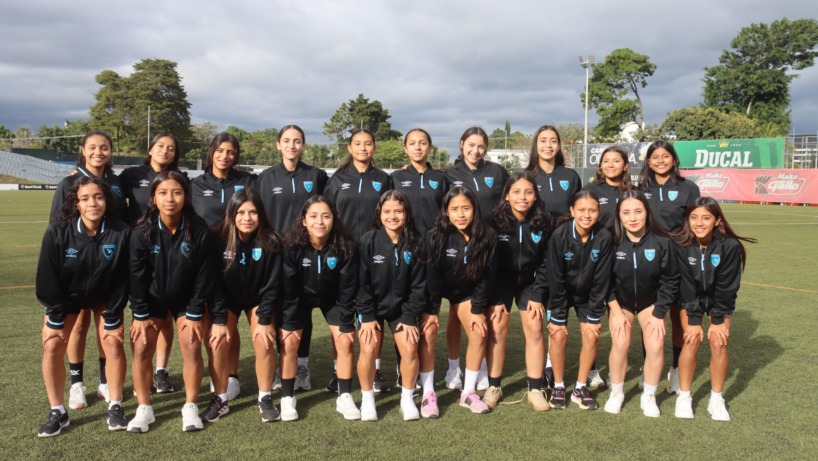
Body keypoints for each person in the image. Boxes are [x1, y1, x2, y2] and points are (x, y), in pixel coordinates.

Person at [127, 171, 225, 432]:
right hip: (152, 301)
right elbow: (136, 276)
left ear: (186, 196)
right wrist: (140, 313)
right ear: (153, 197)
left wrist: (194, 311)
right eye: (163, 193)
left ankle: (190, 406)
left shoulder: (198, 229)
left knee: (191, 346)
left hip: (186, 300)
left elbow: (204, 274)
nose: (170, 199)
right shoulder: (142, 231)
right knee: (141, 348)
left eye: (177, 192)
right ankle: (144, 408)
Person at [36, 177, 130, 436]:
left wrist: (113, 313)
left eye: (98, 197)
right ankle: (58, 411)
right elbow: (47, 277)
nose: (92, 203)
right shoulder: (57, 232)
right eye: (85, 198)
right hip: (66, 299)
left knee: (113, 343)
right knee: (52, 344)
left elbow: (123, 279)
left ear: (106, 200)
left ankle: (115, 405)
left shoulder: (121, 232)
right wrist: (55, 316)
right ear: (76, 203)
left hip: (105, 298)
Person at [48, 130, 126, 411]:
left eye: (104, 147)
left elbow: (122, 223)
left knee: (107, 326)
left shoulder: (116, 183)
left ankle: (105, 380)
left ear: (110, 151)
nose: (98, 152)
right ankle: (77, 383)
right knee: (78, 324)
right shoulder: (69, 182)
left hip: (108, 263)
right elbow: (57, 227)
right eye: (92, 147)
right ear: (83, 150)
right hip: (77, 266)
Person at [256, 125, 327, 392]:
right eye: (286, 141)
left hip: (306, 253)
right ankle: (280, 365)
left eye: (297, 141)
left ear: (303, 145)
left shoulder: (316, 175)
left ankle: (302, 366)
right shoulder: (265, 178)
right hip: (275, 254)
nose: (292, 146)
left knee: (303, 309)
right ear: (278, 144)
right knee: (278, 308)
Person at [279, 196, 361, 421]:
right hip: (300, 299)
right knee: (289, 341)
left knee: (345, 340)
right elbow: (289, 287)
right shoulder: (291, 245)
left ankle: (344, 396)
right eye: (313, 216)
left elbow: (347, 288)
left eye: (326, 216)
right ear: (304, 220)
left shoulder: (345, 245)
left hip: (333, 299)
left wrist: (346, 322)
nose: (320, 222)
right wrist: (290, 321)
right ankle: (287, 397)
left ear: (334, 219)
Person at [674, 197, 755, 421]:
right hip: (690, 300)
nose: (699, 223)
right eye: (694, 217)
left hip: (719, 302)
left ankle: (716, 399)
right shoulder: (681, 245)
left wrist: (717, 319)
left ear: (717, 220)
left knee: (719, 342)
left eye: (706, 218)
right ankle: (684, 396)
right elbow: (685, 286)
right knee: (691, 340)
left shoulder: (729, 246)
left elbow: (727, 287)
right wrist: (693, 320)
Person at [324, 129, 392, 392]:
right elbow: (326, 214)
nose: (363, 148)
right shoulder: (337, 179)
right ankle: (337, 371)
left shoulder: (383, 179)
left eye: (368, 143)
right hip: (343, 255)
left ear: (374, 148)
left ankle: (376, 370)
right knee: (342, 313)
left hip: (375, 254)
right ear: (349, 148)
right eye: (357, 144)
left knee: (373, 314)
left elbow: (391, 213)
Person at [191, 132, 256, 401]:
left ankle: (232, 376)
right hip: (208, 260)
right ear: (211, 152)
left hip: (242, 258)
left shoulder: (249, 181)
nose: (224, 156)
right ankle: (219, 372)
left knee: (233, 318)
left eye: (230, 151)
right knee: (214, 322)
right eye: (220, 151)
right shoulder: (196, 185)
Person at [119, 132, 186, 395]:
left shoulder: (179, 176)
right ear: (150, 149)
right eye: (160, 146)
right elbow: (107, 192)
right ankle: (142, 370)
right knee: (141, 313)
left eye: (171, 147)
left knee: (166, 316)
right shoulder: (131, 175)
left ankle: (160, 371)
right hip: (138, 249)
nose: (165, 151)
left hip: (167, 249)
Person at [442, 127, 508, 391]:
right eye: (471, 145)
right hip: (459, 247)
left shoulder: (497, 172)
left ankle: (479, 364)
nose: (475, 150)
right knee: (456, 310)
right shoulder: (448, 174)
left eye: (481, 146)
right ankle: (453, 367)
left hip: (488, 245)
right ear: (461, 144)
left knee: (483, 305)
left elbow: (511, 196)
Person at [603, 191, 679, 417]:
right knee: (620, 342)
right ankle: (616, 392)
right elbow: (603, 280)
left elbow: (670, 280)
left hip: (651, 304)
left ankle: (649, 395)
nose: (632, 218)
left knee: (655, 344)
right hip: (621, 304)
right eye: (626, 212)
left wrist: (659, 312)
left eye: (638, 211)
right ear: (619, 215)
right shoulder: (611, 242)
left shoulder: (663, 243)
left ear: (647, 212)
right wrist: (615, 311)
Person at [211, 189, 283, 423]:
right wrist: (219, 319)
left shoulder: (271, 241)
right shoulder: (218, 239)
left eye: (253, 212)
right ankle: (220, 398)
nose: (247, 218)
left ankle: (265, 397)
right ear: (231, 214)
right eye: (240, 212)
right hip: (227, 300)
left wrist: (264, 319)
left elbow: (273, 285)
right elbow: (214, 283)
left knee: (264, 340)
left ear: (261, 214)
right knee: (218, 340)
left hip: (258, 299)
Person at [357, 191, 427, 421]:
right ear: (379, 213)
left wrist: (409, 316)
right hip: (372, 309)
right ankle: (367, 399)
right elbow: (361, 284)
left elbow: (419, 285)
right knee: (368, 349)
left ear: (407, 213)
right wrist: (367, 315)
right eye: (387, 211)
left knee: (409, 348)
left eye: (398, 211)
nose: (393, 216)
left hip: (402, 310)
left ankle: (407, 397)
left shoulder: (416, 242)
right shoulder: (368, 241)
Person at [637, 140, 701, 395]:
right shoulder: (641, 188)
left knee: (677, 315)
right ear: (648, 161)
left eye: (666, 156)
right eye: (655, 157)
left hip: (681, 258)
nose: (660, 161)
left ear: (674, 160)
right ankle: (648, 370)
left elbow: (696, 221)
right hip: (649, 258)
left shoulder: (688, 187)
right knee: (651, 316)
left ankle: (675, 369)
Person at [427, 187, 497, 414]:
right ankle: (450, 371)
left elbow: (487, 276)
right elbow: (432, 276)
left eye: (466, 208)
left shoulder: (488, 235)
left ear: (475, 209)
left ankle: (468, 392)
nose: (460, 214)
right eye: (454, 209)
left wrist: (477, 309)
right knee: (431, 327)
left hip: (468, 292)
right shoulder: (435, 235)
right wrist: (433, 309)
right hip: (441, 288)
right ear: (446, 211)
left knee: (479, 332)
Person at [487, 173, 553, 411]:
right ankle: (494, 386)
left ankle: (535, 389)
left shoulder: (544, 221)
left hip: (531, 283)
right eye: (516, 192)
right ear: (507, 195)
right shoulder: (492, 221)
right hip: (501, 283)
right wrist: (495, 296)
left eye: (528, 192)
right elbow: (489, 263)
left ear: (535, 196)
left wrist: (537, 293)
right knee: (497, 329)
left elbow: (547, 261)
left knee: (535, 328)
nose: (522, 197)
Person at [389, 128, 447, 391]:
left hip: (434, 252)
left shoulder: (441, 178)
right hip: (405, 251)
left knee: (428, 313)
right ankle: (402, 366)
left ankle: (426, 371)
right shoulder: (396, 177)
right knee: (404, 310)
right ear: (405, 148)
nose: (417, 147)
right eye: (412, 143)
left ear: (430, 147)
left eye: (422, 143)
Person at [546, 190, 613, 411]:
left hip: (588, 296)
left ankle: (580, 388)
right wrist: (558, 311)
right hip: (561, 294)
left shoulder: (604, 237)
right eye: (582, 210)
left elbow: (602, 277)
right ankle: (558, 386)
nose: (587, 215)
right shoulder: (559, 235)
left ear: (599, 212)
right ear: (572, 211)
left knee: (592, 335)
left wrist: (594, 312)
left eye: (592, 210)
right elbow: (555, 276)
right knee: (558, 334)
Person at [524, 125, 581, 220]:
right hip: (536, 229)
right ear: (536, 145)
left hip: (564, 229)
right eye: (543, 141)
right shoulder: (526, 177)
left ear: (558, 147)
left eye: (553, 141)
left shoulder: (571, 176)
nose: (548, 145)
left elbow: (579, 207)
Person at [583, 145, 632, 229]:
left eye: (616, 161)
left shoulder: (634, 192)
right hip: (600, 237)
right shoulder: (590, 190)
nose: (610, 165)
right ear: (601, 165)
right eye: (606, 161)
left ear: (625, 166)